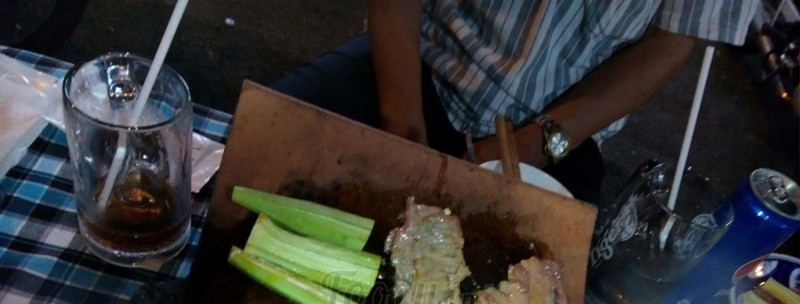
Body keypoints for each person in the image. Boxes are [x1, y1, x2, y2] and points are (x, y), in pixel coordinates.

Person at [271, 0, 758, 203]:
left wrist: (530, 146)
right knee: (262, 158)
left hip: (563, 125)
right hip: (421, 61)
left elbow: (671, 40)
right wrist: (404, 128)